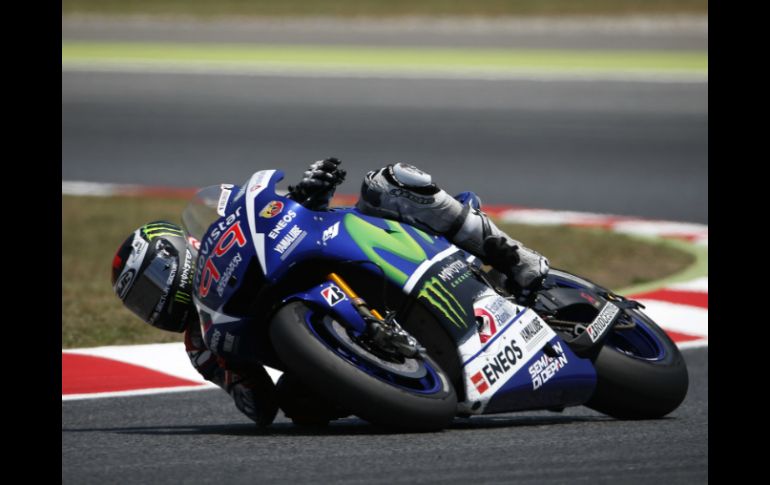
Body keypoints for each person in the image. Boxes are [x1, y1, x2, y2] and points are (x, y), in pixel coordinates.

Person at [110, 158, 549, 427]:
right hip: (325, 341)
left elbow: (274, 214)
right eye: (141, 304)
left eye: (151, 286)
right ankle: (397, 378)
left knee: (390, 181)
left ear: (176, 256)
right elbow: (257, 407)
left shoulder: (220, 237)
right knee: (301, 406)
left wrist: (306, 193)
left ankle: (513, 257)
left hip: (361, 243)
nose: (155, 305)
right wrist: (244, 382)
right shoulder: (199, 345)